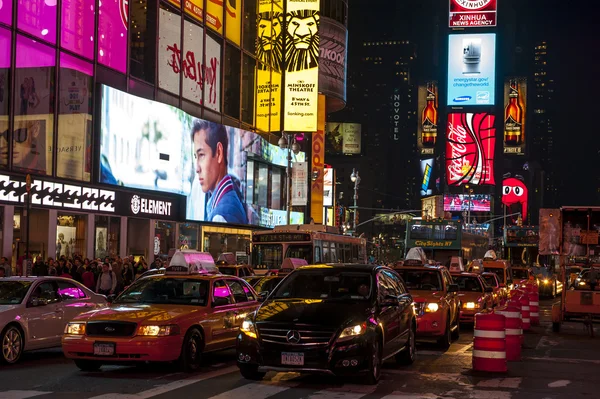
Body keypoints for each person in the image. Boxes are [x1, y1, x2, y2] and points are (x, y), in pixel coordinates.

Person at [191, 120, 247, 224]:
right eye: (196, 156)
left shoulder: (221, 216)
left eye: (201, 155)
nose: (197, 168)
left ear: (219, 153)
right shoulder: (226, 201)